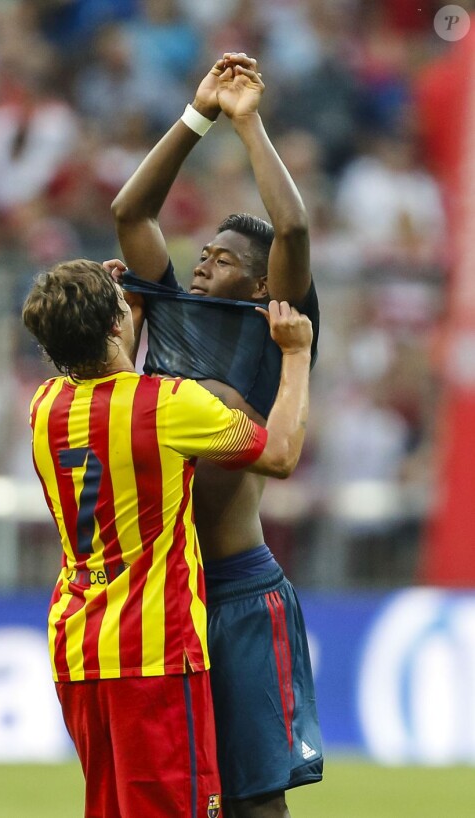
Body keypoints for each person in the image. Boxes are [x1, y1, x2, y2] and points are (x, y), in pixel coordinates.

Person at [21, 258, 313, 818]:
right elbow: (278, 453)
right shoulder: (168, 404)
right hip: (153, 653)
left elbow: (105, 382)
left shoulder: (44, 407)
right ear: (111, 326)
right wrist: (297, 354)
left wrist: (115, 307)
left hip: (79, 650)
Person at [111, 53, 322, 817]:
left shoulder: (277, 329)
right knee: (181, 802)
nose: (203, 265)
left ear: (262, 283)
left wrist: (247, 121)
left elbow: (292, 225)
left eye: (226, 260)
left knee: (253, 804)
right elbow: (131, 214)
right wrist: (196, 115)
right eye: (202, 255)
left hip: (235, 590)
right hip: (167, 599)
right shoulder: (165, 315)